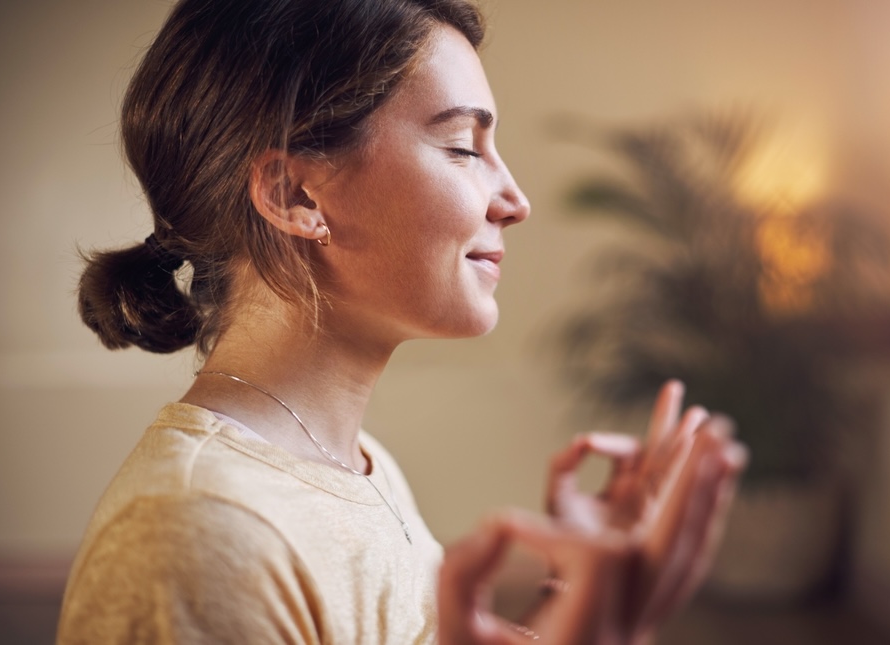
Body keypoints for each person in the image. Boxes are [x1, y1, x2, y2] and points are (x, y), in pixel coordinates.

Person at [58, 0, 747, 643]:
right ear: (295, 194)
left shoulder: (358, 465)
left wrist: (575, 593)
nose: (515, 200)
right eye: (462, 146)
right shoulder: (198, 532)